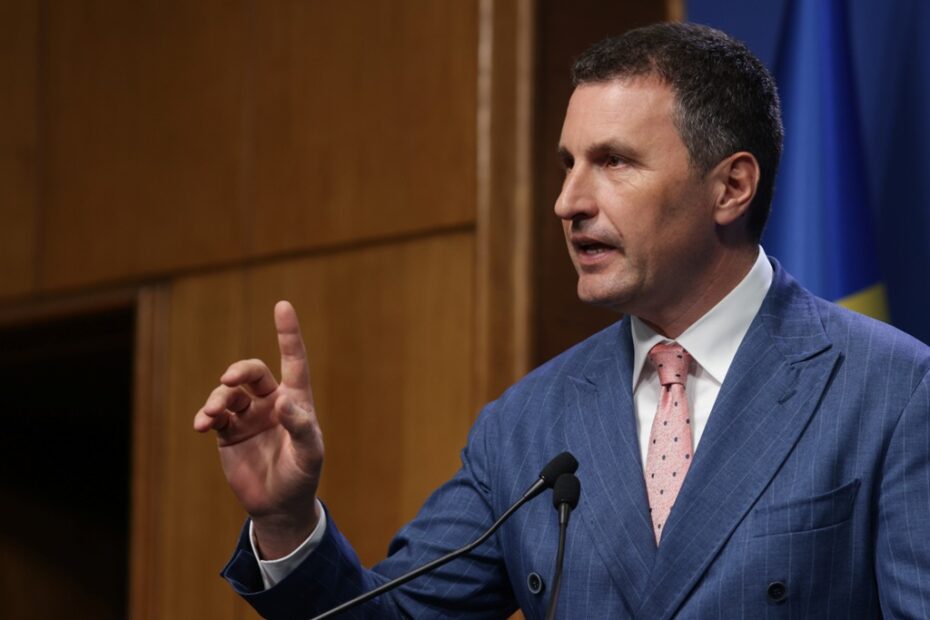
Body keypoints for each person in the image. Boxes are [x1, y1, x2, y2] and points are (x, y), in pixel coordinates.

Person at [194, 22, 930, 618]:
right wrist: (287, 522)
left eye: (613, 162)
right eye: (567, 164)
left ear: (731, 187)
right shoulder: (526, 424)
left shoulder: (892, 392)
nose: (568, 202)